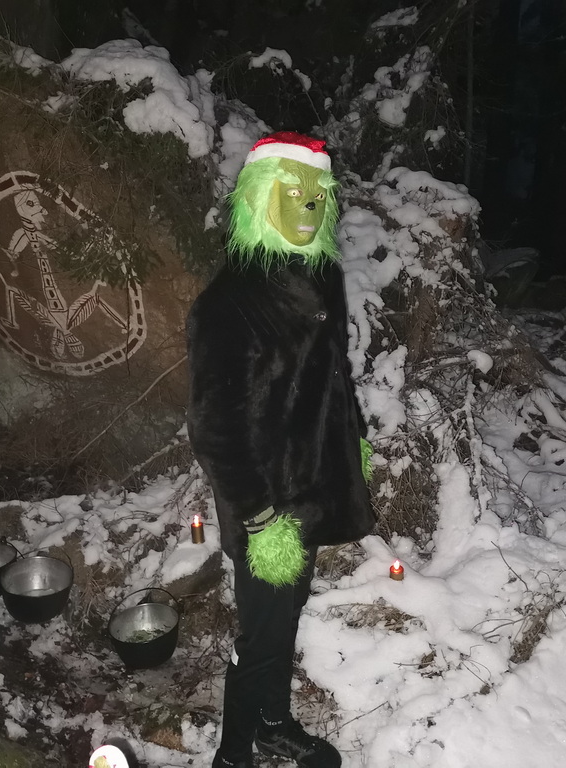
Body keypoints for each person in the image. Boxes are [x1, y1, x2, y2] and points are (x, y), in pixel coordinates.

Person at [186, 132, 376, 768]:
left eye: (317, 195)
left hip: (312, 487)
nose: (308, 207)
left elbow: (334, 376)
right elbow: (214, 428)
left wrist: (351, 441)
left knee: (285, 618)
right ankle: (233, 753)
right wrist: (260, 517)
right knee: (260, 635)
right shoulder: (229, 302)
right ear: (260, 198)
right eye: (292, 193)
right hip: (265, 503)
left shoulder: (321, 276)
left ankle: (272, 724)